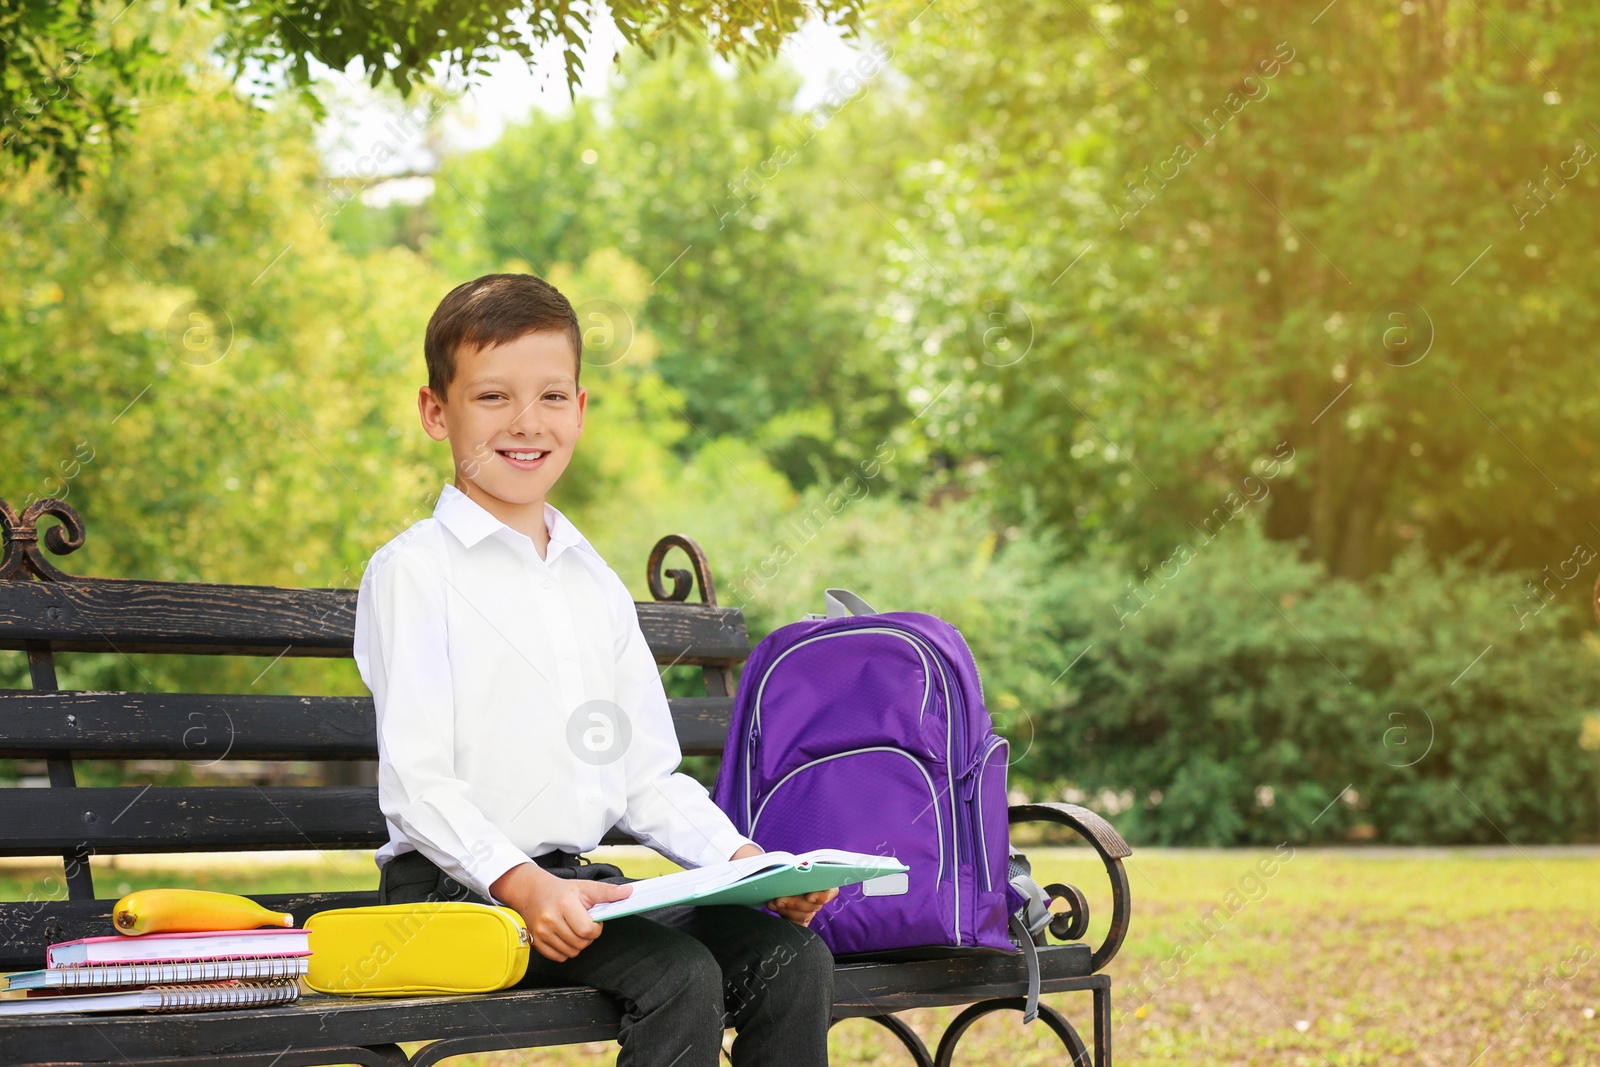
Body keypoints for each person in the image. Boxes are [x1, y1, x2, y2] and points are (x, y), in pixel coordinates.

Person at [352, 273, 837, 1067]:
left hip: (579, 887)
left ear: (579, 410)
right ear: (437, 411)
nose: (525, 422)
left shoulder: (590, 580)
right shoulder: (414, 571)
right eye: (492, 398)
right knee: (677, 973)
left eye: (550, 397)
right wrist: (523, 885)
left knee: (793, 960)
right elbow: (420, 787)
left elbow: (645, 776)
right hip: (451, 891)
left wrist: (746, 864)